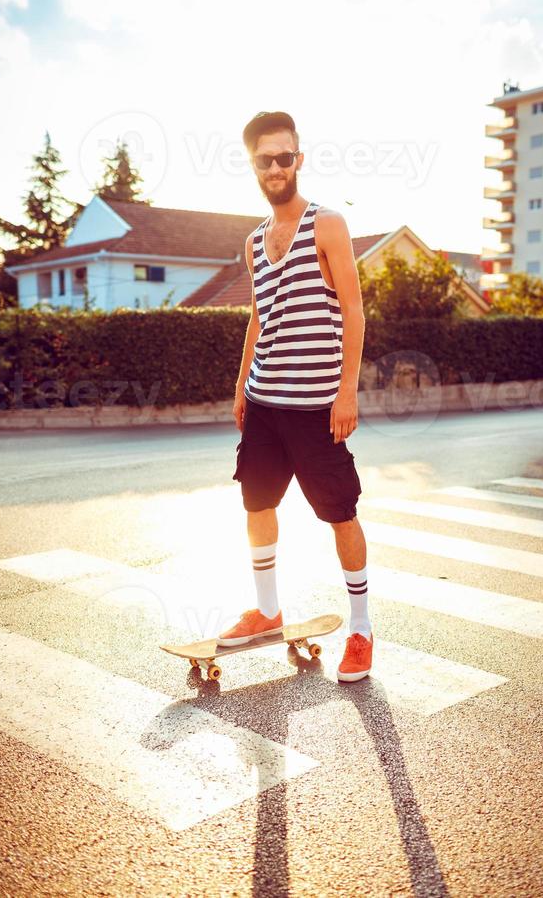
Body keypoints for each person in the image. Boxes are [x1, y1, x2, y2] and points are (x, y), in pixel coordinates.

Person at [218, 110, 372, 682]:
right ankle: (267, 609)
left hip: (316, 407)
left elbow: (353, 309)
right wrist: (240, 389)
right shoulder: (254, 241)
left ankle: (360, 628)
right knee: (256, 506)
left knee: (339, 512)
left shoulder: (326, 224)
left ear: (299, 160)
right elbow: (258, 316)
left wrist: (347, 391)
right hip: (263, 404)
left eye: (286, 157)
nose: (277, 166)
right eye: (266, 159)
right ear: (255, 165)